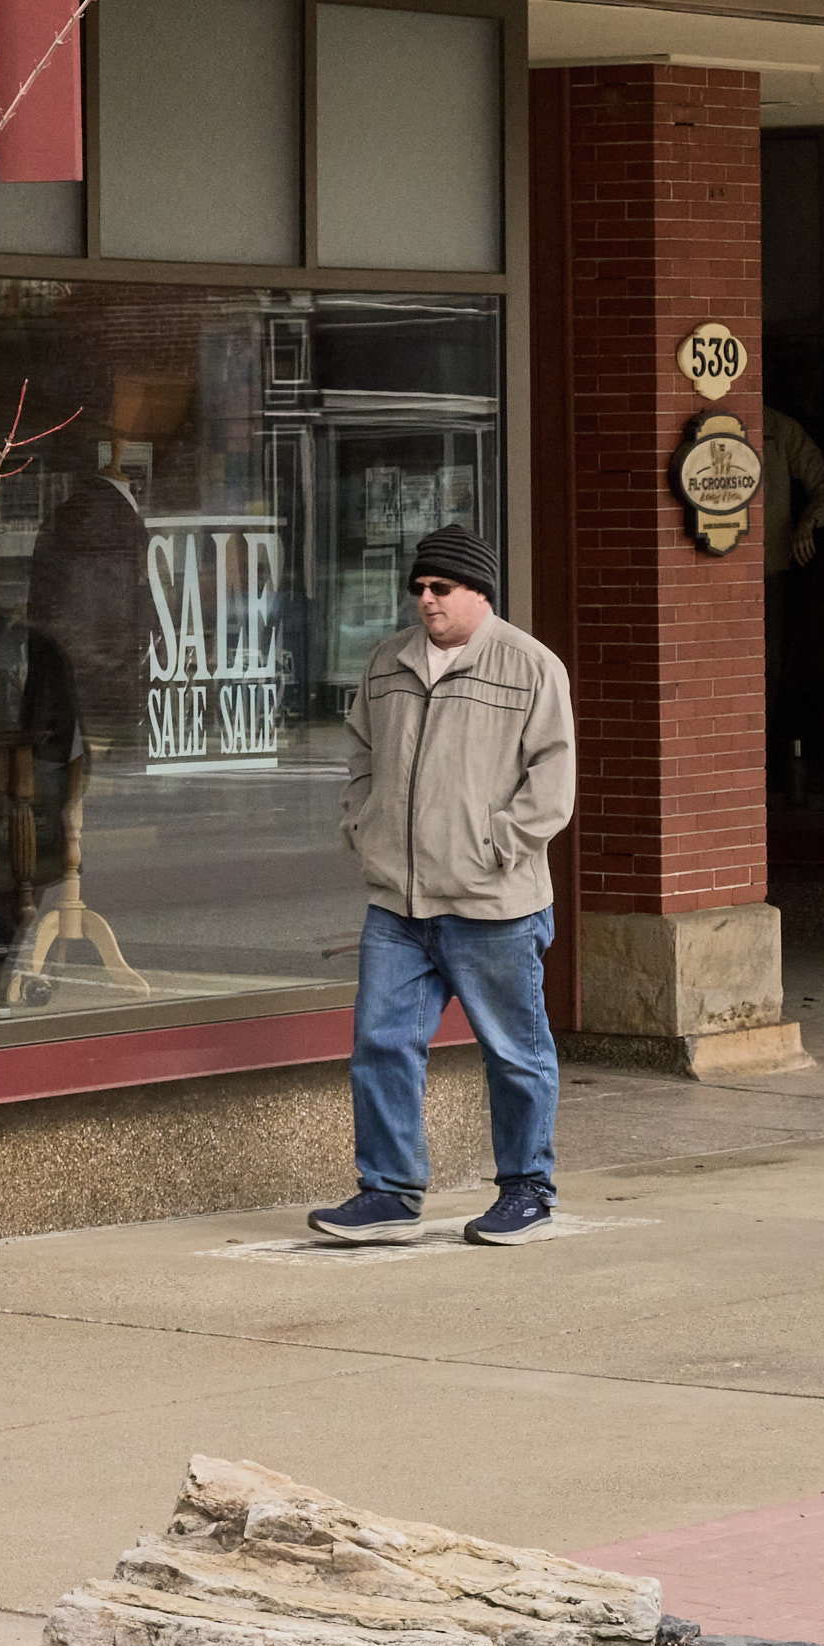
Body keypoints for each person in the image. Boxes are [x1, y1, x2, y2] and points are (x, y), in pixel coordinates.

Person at [314, 524, 576, 1249]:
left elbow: (552, 784)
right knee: (380, 1043)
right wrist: (364, 825)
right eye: (419, 588)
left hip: (493, 905)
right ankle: (390, 1193)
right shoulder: (387, 662)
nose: (425, 600)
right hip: (398, 903)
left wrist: (494, 846)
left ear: (479, 592)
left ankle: (526, 1190)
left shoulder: (529, 667)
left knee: (515, 1051)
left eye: (441, 588)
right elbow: (362, 752)